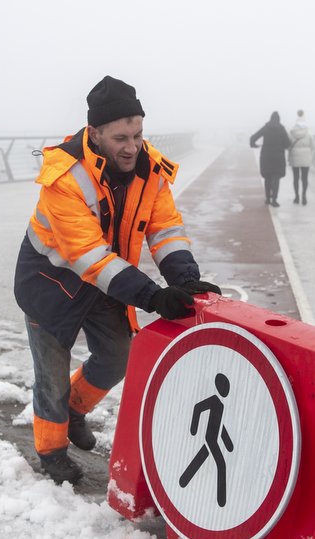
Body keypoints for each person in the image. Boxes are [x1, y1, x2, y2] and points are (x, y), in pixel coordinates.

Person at [14, 75, 220, 484]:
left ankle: (75, 411)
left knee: (117, 356)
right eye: (121, 137)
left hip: (108, 277)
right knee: (51, 374)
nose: (132, 147)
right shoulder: (64, 177)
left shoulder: (151, 169)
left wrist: (186, 277)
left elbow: (164, 230)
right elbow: (87, 256)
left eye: (138, 135)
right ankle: (51, 452)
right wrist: (152, 296)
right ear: (94, 133)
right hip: (50, 283)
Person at [249, 111, 291, 206]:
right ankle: (274, 200)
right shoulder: (281, 129)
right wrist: (282, 146)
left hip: (266, 156)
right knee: (276, 178)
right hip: (278, 157)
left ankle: (268, 199)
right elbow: (287, 143)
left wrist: (254, 145)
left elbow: (253, 137)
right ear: (279, 119)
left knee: (267, 178)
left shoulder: (266, 128)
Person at [288, 109, 313, 205]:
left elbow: (288, 144)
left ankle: (296, 197)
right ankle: (304, 196)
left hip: (295, 156)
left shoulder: (292, 132)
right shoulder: (309, 133)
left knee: (296, 178)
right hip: (306, 157)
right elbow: (312, 145)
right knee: (304, 178)